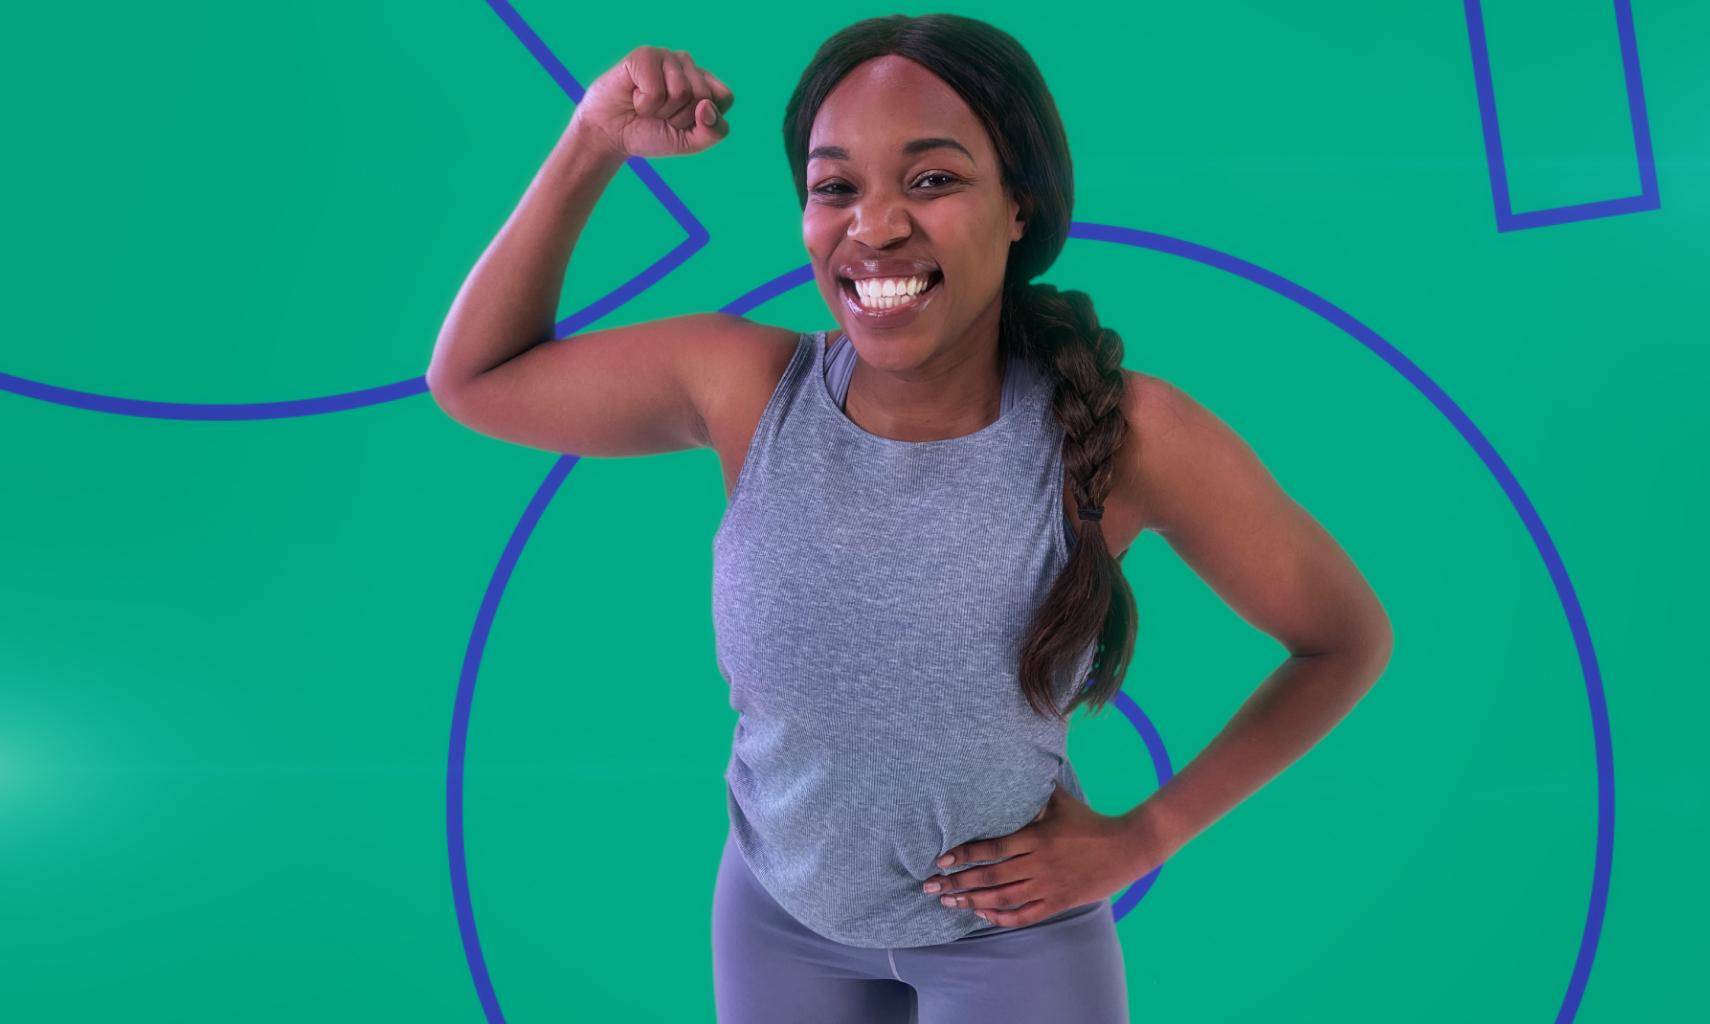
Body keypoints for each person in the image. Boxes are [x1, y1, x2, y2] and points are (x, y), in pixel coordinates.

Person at [427, 14, 1392, 1023]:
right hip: (773, 921)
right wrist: (590, 142)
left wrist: (1143, 836)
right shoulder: (743, 387)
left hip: (1012, 943)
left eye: (931, 180)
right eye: (834, 185)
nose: (874, 225)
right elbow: (474, 379)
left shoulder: (1127, 433)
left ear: (1019, 204)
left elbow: (1340, 640)